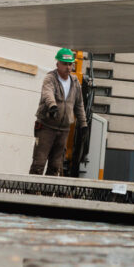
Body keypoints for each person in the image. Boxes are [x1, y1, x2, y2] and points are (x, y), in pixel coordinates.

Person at [29, 48, 87, 176]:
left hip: (63, 130)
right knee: (39, 162)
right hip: (46, 127)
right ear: (57, 64)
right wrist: (52, 106)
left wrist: (83, 124)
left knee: (56, 166)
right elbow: (47, 93)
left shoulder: (75, 82)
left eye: (70, 64)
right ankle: (31, 193)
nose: (68, 67)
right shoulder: (50, 78)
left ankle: (48, 194)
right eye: (65, 64)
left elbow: (79, 105)